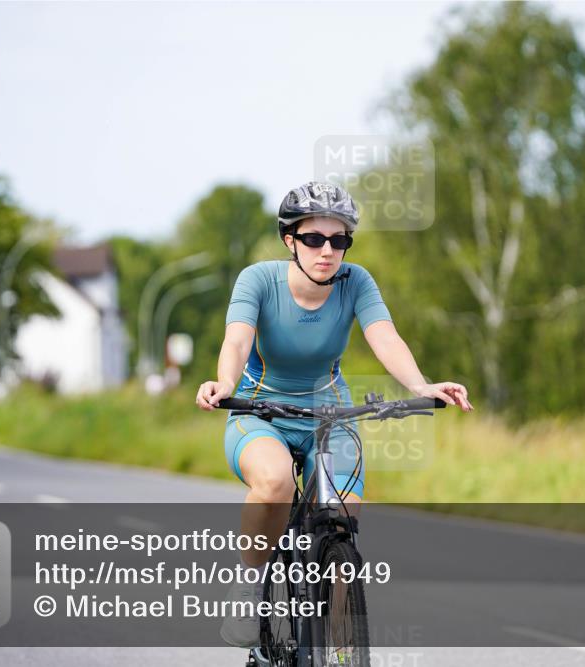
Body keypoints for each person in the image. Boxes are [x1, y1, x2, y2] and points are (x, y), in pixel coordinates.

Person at [195, 181, 473, 647]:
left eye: (339, 240)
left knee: (341, 516)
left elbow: (385, 336)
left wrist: (421, 386)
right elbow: (237, 340)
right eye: (314, 239)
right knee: (276, 482)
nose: (327, 251)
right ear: (290, 240)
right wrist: (225, 383)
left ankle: (335, 641)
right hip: (261, 412)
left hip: (329, 414)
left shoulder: (356, 281)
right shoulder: (258, 279)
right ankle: (250, 587)